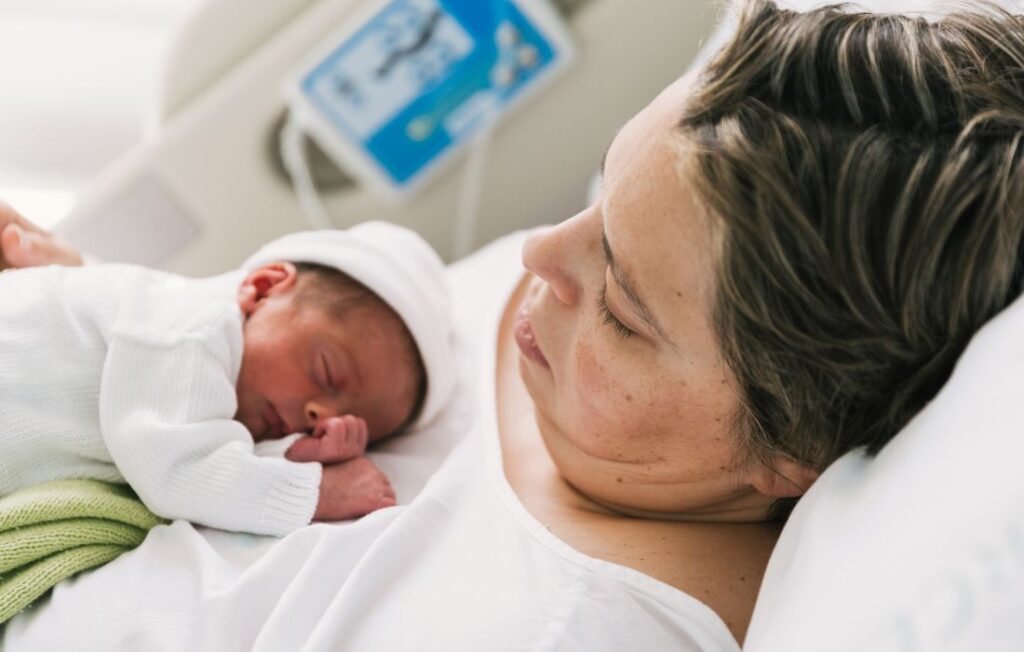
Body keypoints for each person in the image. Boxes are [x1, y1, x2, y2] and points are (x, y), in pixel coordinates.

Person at [3, 0, 1022, 647]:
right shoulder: (591, 335)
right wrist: (86, 319)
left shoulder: (561, 626)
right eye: (594, 202)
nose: (539, 257)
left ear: (790, 450)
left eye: (623, 309)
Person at [0, 221, 455, 536]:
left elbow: (207, 438)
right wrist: (318, 490)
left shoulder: (210, 382)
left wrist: (293, 451)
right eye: (326, 372)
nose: (321, 413)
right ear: (264, 288)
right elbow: (174, 468)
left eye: (346, 421)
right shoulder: (192, 328)